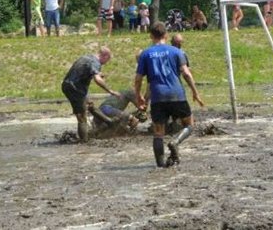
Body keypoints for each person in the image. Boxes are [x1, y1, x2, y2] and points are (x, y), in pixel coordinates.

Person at [135, 22, 204, 168]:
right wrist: (195, 92)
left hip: (158, 97)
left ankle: (160, 164)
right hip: (176, 94)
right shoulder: (176, 52)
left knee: (158, 132)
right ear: (166, 35)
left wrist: (138, 95)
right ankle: (176, 141)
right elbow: (186, 73)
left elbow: (139, 78)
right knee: (189, 125)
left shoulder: (145, 54)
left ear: (151, 36)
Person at [61, 46, 120, 143]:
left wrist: (98, 74)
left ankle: (110, 122)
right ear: (104, 56)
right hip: (74, 88)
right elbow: (97, 79)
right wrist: (111, 91)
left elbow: (86, 70)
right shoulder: (95, 62)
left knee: (90, 105)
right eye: (107, 60)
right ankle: (84, 142)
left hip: (72, 86)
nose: (106, 63)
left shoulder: (88, 57)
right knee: (82, 116)